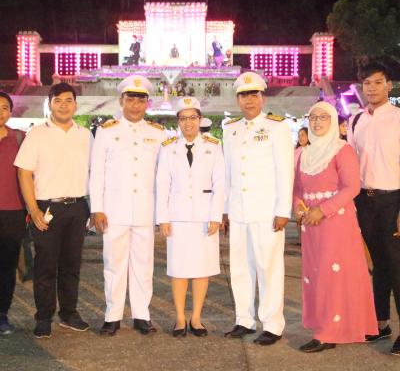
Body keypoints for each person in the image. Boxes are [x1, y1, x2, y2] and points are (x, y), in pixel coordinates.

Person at [293, 101, 378, 353]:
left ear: (332, 121)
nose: (317, 122)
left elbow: (352, 187)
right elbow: (296, 189)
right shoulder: (302, 153)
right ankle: (322, 325)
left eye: (323, 117)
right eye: (313, 117)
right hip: (311, 225)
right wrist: (299, 208)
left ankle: (329, 332)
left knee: (333, 276)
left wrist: (322, 210)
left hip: (336, 221)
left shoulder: (343, 150)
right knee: (316, 275)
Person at [90, 75, 167, 337]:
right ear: (121, 101)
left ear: (147, 103)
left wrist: (162, 213)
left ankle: (141, 315)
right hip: (114, 210)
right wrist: (97, 208)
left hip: (145, 209)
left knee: (143, 265)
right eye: (130, 99)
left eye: (140, 100)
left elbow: (163, 176)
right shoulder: (107, 131)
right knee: (113, 264)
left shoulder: (157, 133)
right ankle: (112, 316)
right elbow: (97, 172)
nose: (135, 105)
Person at [15, 83, 92, 339]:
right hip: (47, 208)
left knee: (71, 265)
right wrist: (33, 209)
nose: (63, 105)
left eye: (68, 100)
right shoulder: (37, 134)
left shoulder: (85, 135)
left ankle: (69, 314)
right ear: (50, 104)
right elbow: (24, 173)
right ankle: (43, 317)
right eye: (58, 100)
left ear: (75, 105)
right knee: (45, 265)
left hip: (77, 207)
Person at [223, 72, 294, 345]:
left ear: (262, 97)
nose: (249, 100)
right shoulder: (231, 129)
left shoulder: (276, 127)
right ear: (237, 99)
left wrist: (283, 210)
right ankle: (244, 319)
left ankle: (273, 324)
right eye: (243, 95)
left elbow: (284, 170)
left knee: (268, 268)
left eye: (253, 94)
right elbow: (228, 173)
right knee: (240, 268)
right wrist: (225, 210)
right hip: (239, 210)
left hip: (267, 211)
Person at [156, 97, 225, 337]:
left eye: (193, 118)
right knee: (178, 269)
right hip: (177, 216)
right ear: (178, 121)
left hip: (205, 216)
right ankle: (179, 318)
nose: (188, 123)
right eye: (183, 118)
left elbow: (220, 183)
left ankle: (196, 318)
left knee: (201, 269)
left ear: (200, 119)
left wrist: (216, 215)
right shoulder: (168, 147)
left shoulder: (213, 146)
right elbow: (162, 184)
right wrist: (163, 218)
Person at [347, 62, 400, 356]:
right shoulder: (356, 120)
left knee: (397, 266)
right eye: (367, 83)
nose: (372, 88)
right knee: (377, 265)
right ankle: (381, 323)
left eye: (378, 82)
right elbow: (350, 165)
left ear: (389, 85)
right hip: (364, 201)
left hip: (393, 200)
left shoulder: (398, 118)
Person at [0, 92, 26, 335]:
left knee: (7, 267)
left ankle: (2, 315)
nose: (0, 112)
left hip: (13, 212)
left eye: (4, 107)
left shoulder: (20, 138)